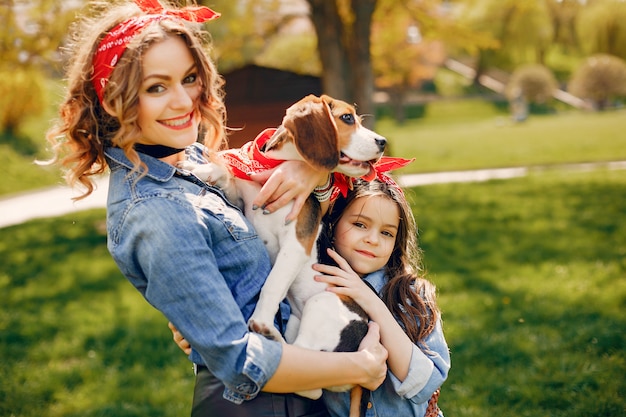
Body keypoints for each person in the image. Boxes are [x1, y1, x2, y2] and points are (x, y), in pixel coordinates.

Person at [44, 1, 388, 416]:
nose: (184, 100)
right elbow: (240, 363)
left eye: (189, 78)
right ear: (115, 102)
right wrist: (361, 367)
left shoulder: (184, 160)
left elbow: (265, 166)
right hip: (258, 405)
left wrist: (311, 169)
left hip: (302, 378)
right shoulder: (156, 214)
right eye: (156, 87)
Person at [173, 177, 451, 417]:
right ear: (332, 223)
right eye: (360, 224)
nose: (373, 239)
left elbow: (424, 382)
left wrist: (368, 300)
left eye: (387, 233)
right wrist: (202, 336)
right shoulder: (311, 282)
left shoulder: (411, 294)